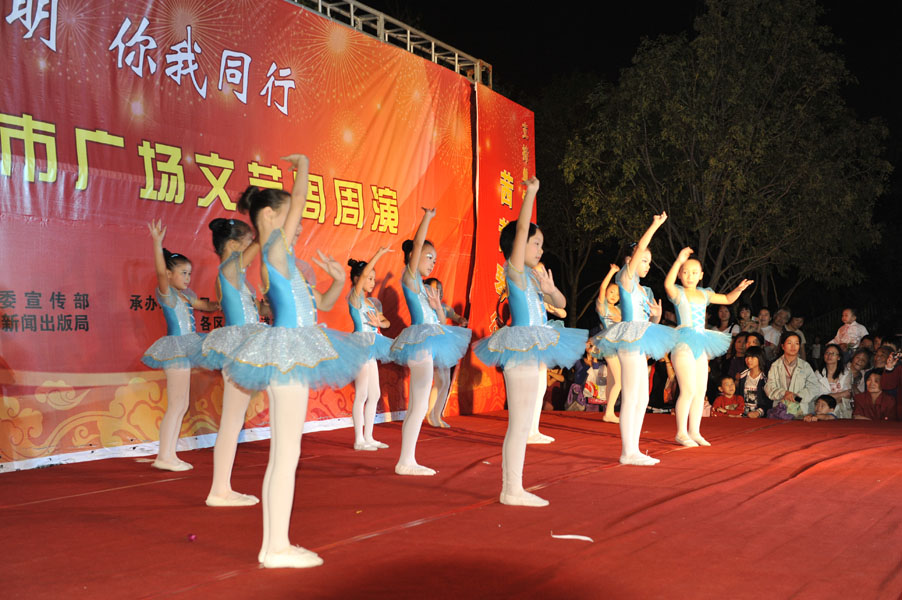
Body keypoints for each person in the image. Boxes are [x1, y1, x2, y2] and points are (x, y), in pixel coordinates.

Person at [224, 154, 368, 569]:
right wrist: (303, 167)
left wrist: (338, 281)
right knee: (286, 454)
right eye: (291, 215)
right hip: (287, 355)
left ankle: (276, 544)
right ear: (271, 216)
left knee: (286, 454)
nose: (299, 223)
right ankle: (276, 547)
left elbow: (319, 303)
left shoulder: (280, 255)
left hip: (290, 352)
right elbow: (300, 199)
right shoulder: (274, 248)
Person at [473, 177, 586, 505]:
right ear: (519, 246)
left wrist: (551, 290)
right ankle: (511, 489)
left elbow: (561, 303)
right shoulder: (515, 271)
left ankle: (514, 487)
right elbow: (521, 229)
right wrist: (531, 193)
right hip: (520, 349)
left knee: (524, 423)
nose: (540, 249)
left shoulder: (535, 278)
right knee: (519, 423)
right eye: (536, 243)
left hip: (533, 350)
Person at [390, 208, 471, 476]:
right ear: (414, 256)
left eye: (434, 259)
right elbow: (418, 244)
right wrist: (427, 218)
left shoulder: (425, 288)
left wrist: (437, 308)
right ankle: (406, 461)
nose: (432, 262)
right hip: (420, 344)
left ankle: (406, 459)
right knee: (419, 405)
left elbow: (440, 322)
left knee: (418, 405)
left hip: (428, 342)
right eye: (428, 256)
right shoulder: (410, 276)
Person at [195, 218, 267, 506]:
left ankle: (221, 488)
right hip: (240, 347)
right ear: (235, 245)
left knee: (234, 420)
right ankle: (219, 490)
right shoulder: (229, 268)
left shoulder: (236, 275)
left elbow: (254, 309)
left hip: (246, 345)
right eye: (247, 243)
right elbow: (260, 243)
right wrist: (268, 227)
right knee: (232, 420)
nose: (251, 249)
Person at [594, 213, 676, 466]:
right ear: (630, 261)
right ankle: (628, 451)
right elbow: (641, 246)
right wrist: (655, 225)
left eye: (649, 261)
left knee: (642, 397)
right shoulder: (625, 278)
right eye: (644, 260)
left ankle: (634, 448)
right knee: (631, 395)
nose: (647, 265)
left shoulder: (641, 288)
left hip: (639, 340)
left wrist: (656, 316)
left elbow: (647, 321)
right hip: (629, 340)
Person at [142, 221, 220, 472]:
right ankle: (164, 456)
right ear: (169, 274)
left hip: (186, 349)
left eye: (189, 273)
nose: (187, 278)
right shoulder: (166, 293)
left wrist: (224, 302)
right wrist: (157, 244)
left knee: (181, 405)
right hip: (175, 349)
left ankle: (169, 454)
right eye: (183, 273)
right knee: (177, 405)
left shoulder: (187, 296)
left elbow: (206, 306)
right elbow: (159, 271)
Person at [664, 247, 752, 446]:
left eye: (694, 272)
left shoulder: (704, 294)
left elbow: (727, 299)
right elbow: (667, 284)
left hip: (701, 342)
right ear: (680, 274)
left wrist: (739, 289)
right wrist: (678, 260)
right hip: (683, 343)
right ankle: (681, 432)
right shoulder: (678, 292)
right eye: (685, 272)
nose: (690, 276)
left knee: (700, 390)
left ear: (701, 275)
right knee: (687, 390)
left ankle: (694, 431)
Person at [347, 248, 394, 450]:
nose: (372, 282)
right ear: (358, 280)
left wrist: (379, 323)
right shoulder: (355, 297)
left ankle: (369, 436)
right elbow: (365, 272)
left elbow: (387, 323)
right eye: (369, 278)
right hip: (360, 345)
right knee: (362, 394)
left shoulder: (371, 303)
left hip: (373, 346)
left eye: (374, 279)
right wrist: (379, 254)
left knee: (374, 394)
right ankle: (359, 439)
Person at [423, 277, 468, 428]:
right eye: (435, 290)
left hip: (444, 345)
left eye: (440, 290)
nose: (439, 293)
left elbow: (455, 316)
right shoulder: (424, 308)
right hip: (431, 346)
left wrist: (461, 319)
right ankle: (430, 413)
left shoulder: (443, 308)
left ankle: (437, 415)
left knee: (446, 382)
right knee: (440, 381)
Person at [764, 331, 822, 419]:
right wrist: (784, 393)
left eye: (796, 343)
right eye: (789, 343)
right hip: (780, 411)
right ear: (783, 346)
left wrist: (797, 396)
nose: (793, 346)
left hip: (802, 412)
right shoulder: (775, 365)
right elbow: (769, 387)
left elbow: (814, 387)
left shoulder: (805, 366)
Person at [594, 263, 622, 423]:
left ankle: (609, 411)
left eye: (617, 294)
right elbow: (603, 287)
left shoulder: (619, 310)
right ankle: (609, 412)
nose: (613, 296)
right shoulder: (602, 306)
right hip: (608, 344)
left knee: (613, 379)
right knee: (619, 380)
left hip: (619, 344)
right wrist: (612, 271)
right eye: (611, 292)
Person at [815, 343, 852, 418]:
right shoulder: (818, 373)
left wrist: (827, 397)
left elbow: (848, 394)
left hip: (842, 412)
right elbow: (817, 397)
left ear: (839, 357)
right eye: (827, 353)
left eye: (833, 353)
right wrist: (840, 394)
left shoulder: (846, 373)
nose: (829, 355)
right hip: (822, 411)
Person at [737, 346, 769, 418]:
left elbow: (768, 401)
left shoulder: (765, 378)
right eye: (747, 357)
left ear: (760, 358)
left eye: (752, 357)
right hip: (743, 414)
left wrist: (758, 412)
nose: (749, 360)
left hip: (760, 416)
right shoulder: (743, 376)